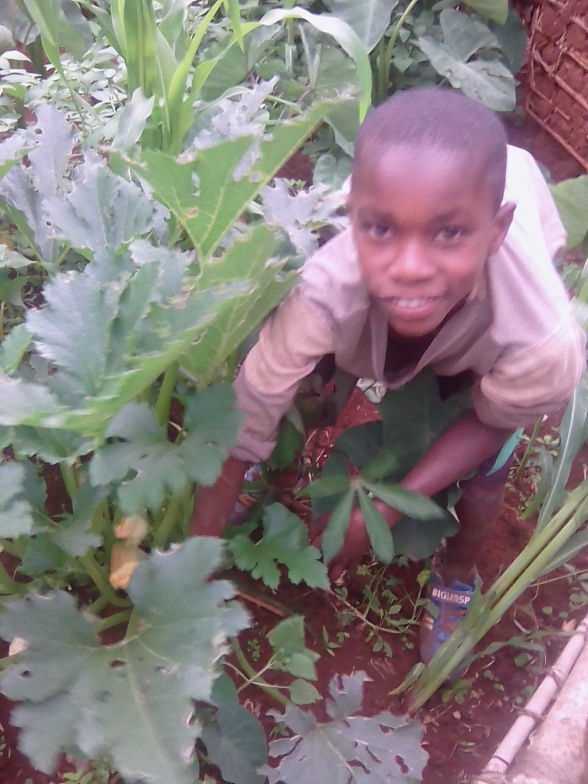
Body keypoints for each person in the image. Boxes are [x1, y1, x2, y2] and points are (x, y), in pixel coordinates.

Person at [190, 87, 586, 663]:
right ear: (356, 218)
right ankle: (268, 485)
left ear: (496, 231)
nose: (409, 267)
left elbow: (496, 419)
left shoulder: (538, 337)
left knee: (483, 486)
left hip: (478, 344)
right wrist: (191, 572)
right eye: (380, 230)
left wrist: (383, 508)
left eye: (449, 233)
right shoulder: (322, 287)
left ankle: (456, 574)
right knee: (306, 393)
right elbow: (244, 417)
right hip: (355, 325)